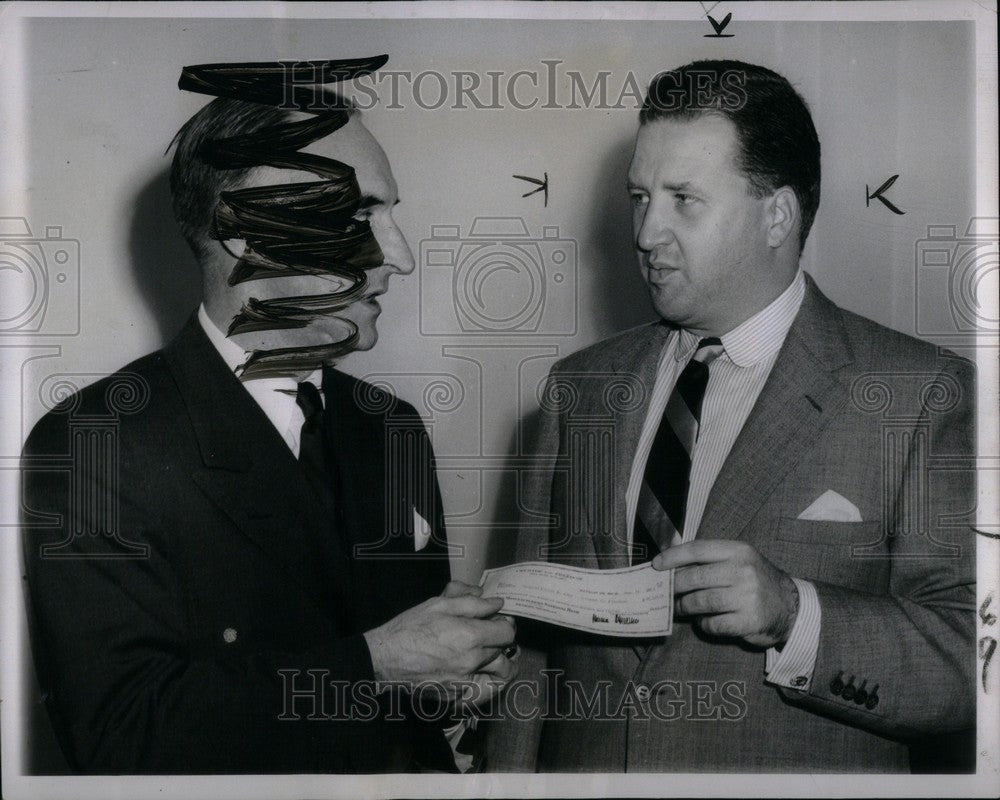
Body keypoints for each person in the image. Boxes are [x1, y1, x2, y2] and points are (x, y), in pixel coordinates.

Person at [20, 65, 516, 774]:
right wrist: (376, 665)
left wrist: (460, 679)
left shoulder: (390, 428)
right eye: (355, 218)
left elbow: (411, 704)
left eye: (389, 215)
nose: (398, 257)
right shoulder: (96, 445)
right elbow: (121, 737)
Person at [484, 60, 975, 772]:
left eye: (684, 199)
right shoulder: (578, 389)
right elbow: (533, 659)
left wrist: (795, 612)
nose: (646, 233)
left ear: (777, 214)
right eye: (639, 196)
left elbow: (971, 661)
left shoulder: (920, 395)